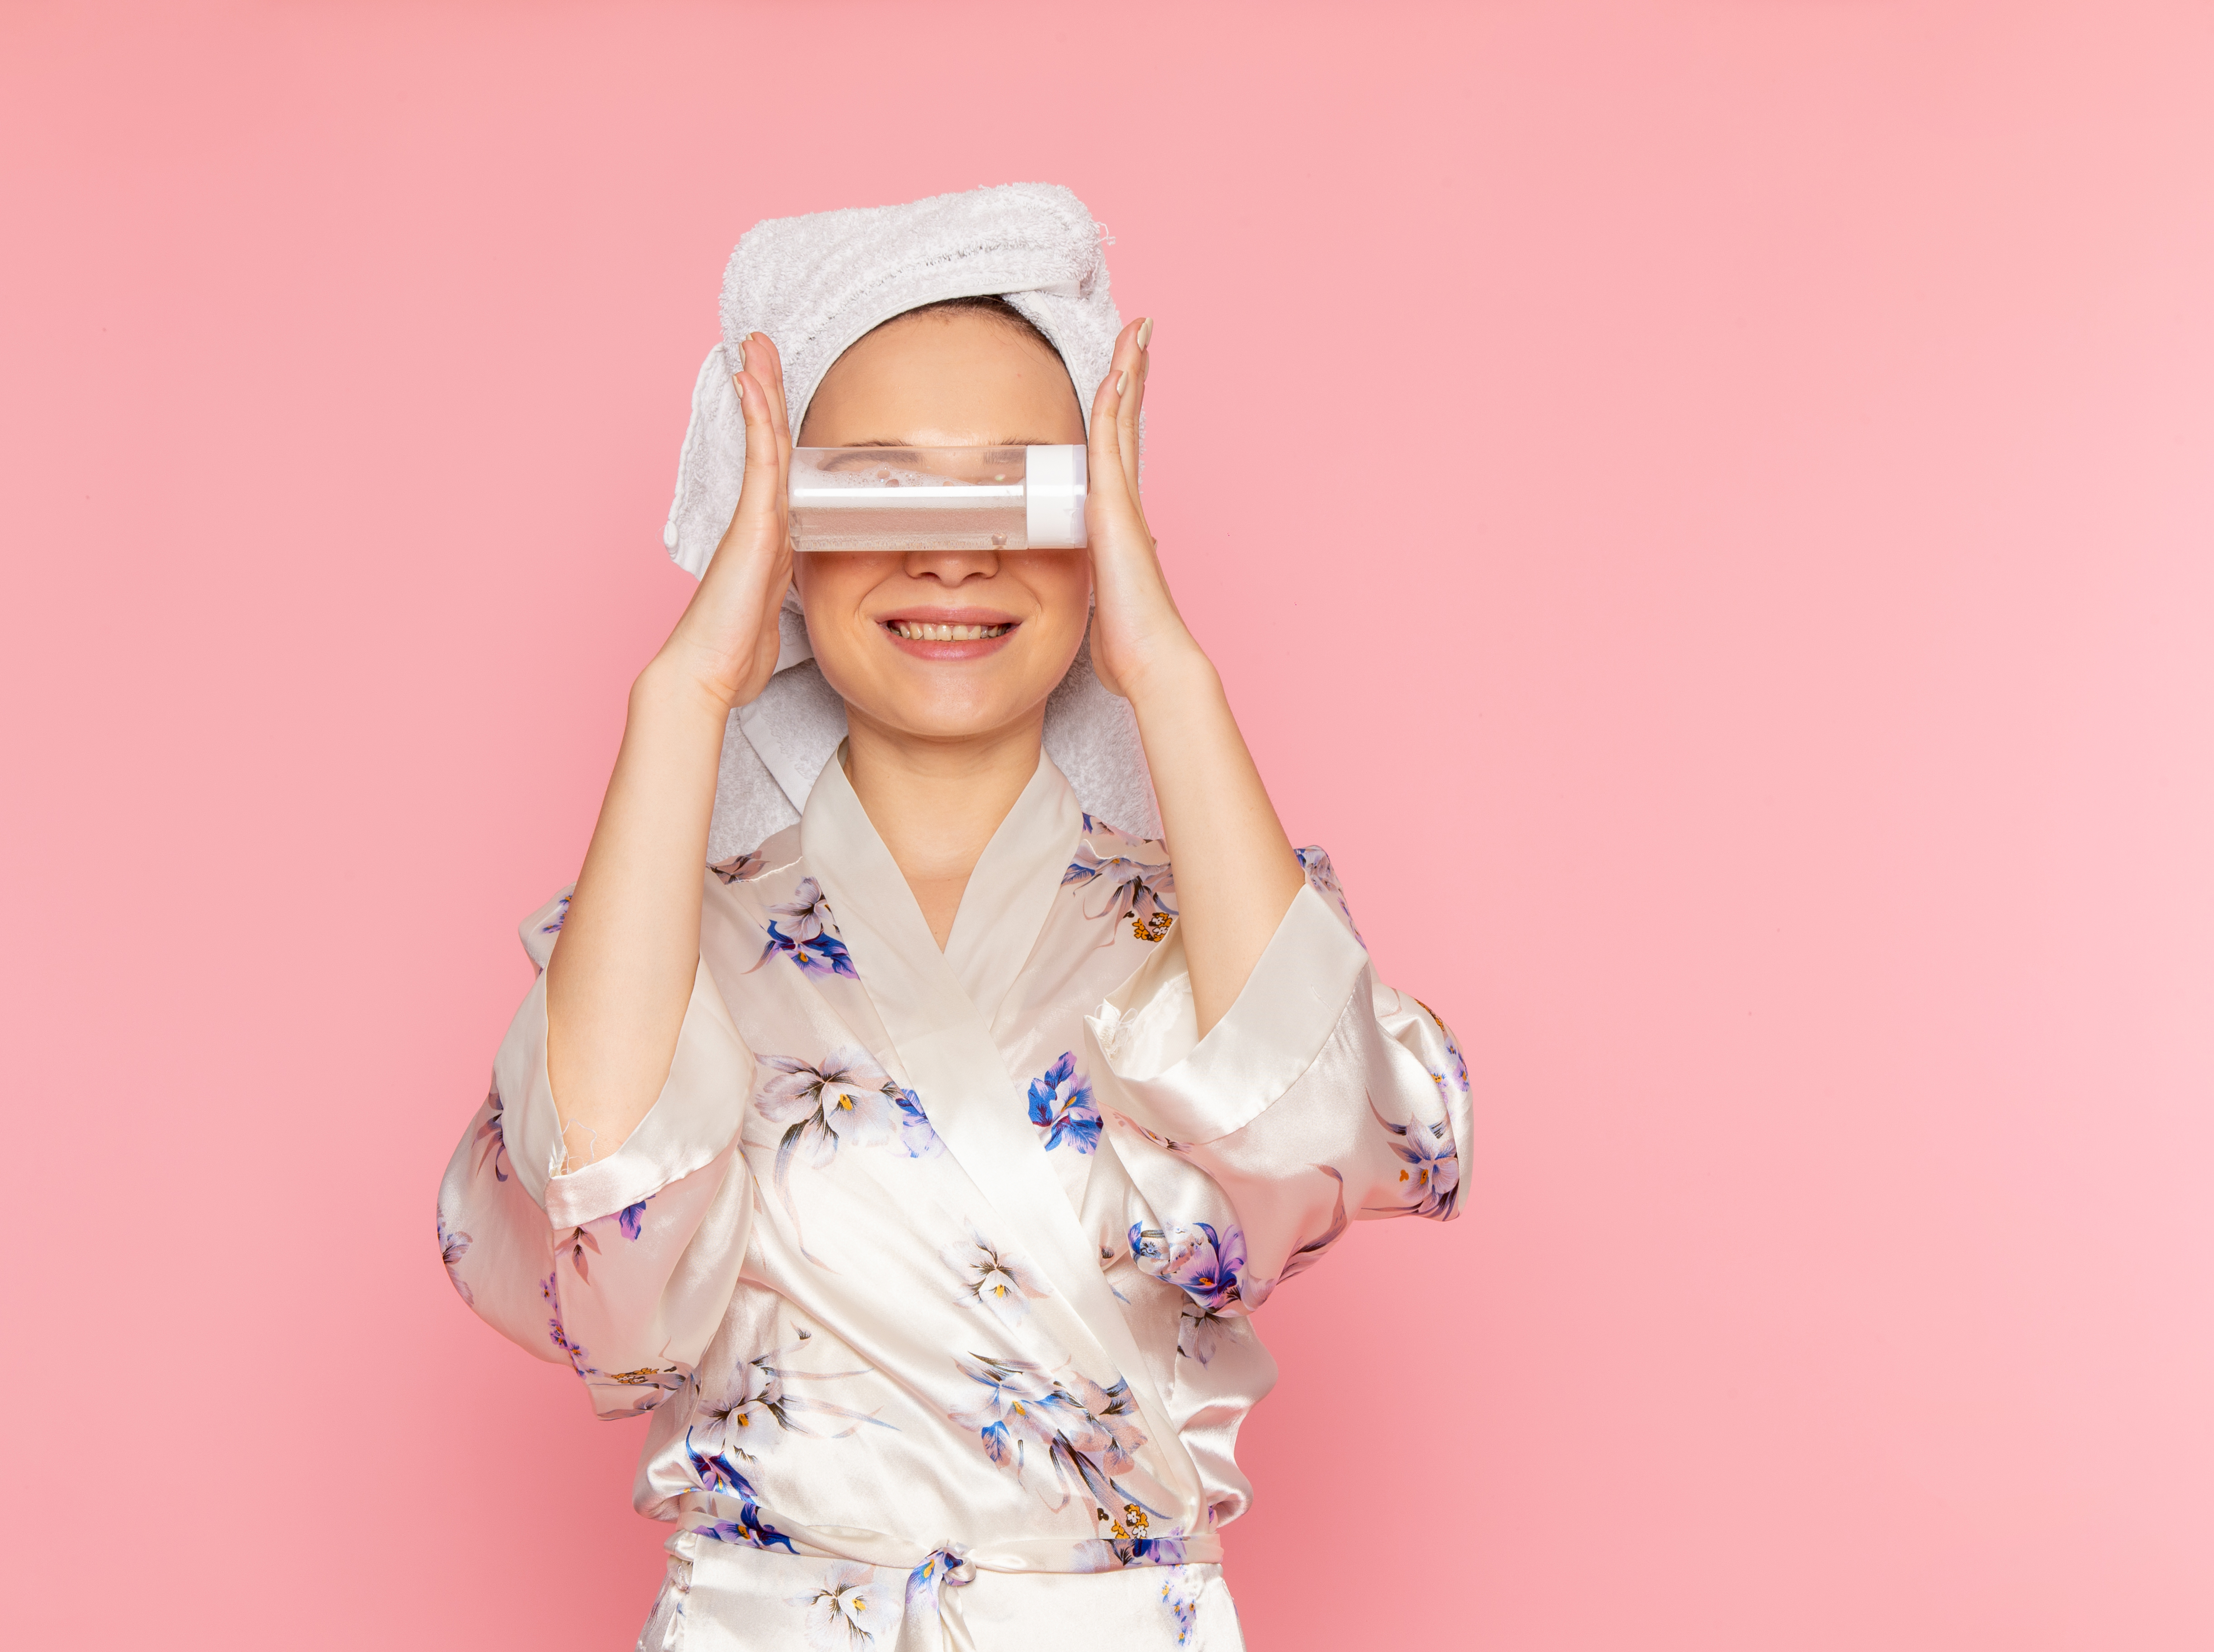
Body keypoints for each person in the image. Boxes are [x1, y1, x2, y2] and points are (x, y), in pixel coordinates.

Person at [438, 183, 1472, 1652]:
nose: (952, 551)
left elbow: (1310, 1139)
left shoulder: (1189, 923)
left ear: (1092, 523)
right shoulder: (678, 940)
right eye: (880, 491)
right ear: (786, 525)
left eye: (1016, 491)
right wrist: (681, 696)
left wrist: (1164, 660)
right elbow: (604, 1248)